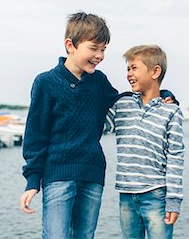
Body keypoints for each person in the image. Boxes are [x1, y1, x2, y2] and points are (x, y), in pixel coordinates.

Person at [20, 12, 119, 239]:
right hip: (58, 174)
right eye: (94, 48)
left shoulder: (99, 81)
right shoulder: (46, 82)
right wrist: (33, 180)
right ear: (70, 45)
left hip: (92, 173)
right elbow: (35, 135)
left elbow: (124, 104)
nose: (100, 55)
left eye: (103, 49)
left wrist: (161, 94)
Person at [104, 45, 185, 239]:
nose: (129, 74)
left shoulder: (171, 111)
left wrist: (174, 200)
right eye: (128, 69)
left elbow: (176, 157)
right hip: (126, 194)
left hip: (156, 195)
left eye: (134, 68)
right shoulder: (121, 105)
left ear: (155, 71)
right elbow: (98, 126)